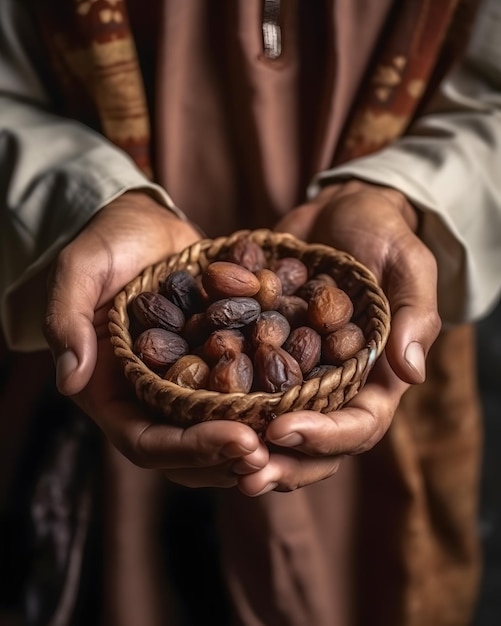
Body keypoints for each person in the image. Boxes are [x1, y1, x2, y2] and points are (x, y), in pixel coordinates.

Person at [1, 0, 500, 624]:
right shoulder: (228, 319)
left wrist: (407, 194)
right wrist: (86, 197)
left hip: (392, 367)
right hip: (90, 341)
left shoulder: (301, 318)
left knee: (372, 576)